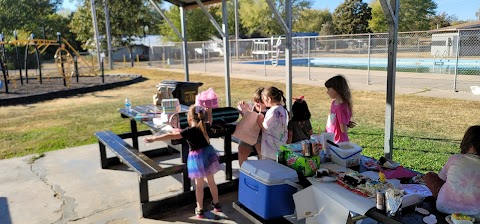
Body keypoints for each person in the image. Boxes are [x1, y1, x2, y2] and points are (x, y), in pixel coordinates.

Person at [144, 105, 221, 218]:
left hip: (196, 158)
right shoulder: (205, 126)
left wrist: (154, 138)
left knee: (199, 186)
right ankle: (216, 204)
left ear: (189, 119)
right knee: (211, 182)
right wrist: (209, 112)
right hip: (208, 154)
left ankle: (199, 209)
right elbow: (210, 120)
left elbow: (172, 135)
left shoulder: (188, 131)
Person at [423, 125, 480, 218]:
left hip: (444, 207)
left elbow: (441, 178)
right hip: (476, 215)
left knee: (430, 176)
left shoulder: (455, 159)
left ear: (468, 144)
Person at [257, 86, 289, 160]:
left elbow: (265, 127)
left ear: (269, 99)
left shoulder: (273, 111)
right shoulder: (283, 109)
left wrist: (259, 120)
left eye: (264, 99)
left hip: (270, 148)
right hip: (281, 144)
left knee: (269, 168)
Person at [237, 87, 266, 167]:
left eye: (261, 102)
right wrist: (243, 110)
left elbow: (266, 129)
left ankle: (261, 172)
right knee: (242, 151)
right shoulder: (251, 107)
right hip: (249, 133)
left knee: (262, 153)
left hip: (261, 135)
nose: (258, 104)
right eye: (256, 101)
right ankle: (244, 171)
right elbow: (246, 121)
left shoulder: (268, 111)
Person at [324, 75, 355, 143]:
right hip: (331, 139)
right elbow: (332, 121)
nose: (327, 92)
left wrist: (346, 125)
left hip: (339, 142)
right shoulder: (334, 103)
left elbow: (343, 130)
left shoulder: (340, 107)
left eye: (329, 89)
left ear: (336, 89)